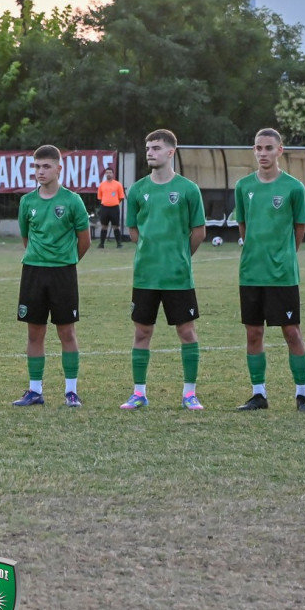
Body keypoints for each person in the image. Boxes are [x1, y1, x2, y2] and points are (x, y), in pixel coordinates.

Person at [120, 129, 207, 411]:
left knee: (186, 332)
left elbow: (198, 232)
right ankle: (139, 393)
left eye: (156, 148)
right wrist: (152, 252)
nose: (150, 152)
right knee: (142, 332)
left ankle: (189, 394)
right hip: (145, 275)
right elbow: (134, 231)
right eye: (148, 147)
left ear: (171, 152)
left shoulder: (188, 189)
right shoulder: (137, 190)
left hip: (178, 276)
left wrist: (179, 255)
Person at [233, 128, 305, 413]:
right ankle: (258, 394)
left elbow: (299, 230)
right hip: (251, 273)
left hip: (282, 275)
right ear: (253, 151)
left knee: (291, 332)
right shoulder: (243, 187)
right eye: (258, 148)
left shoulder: (293, 188)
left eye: (269, 148)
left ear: (280, 150)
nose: (263, 153)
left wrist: (284, 255)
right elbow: (244, 227)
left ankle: (302, 395)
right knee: (253, 333)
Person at [11, 145, 90, 407]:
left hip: (63, 273)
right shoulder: (27, 202)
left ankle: (71, 392)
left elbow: (84, 240)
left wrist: (65, 261)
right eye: (36, 166)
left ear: (58, 168)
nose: (40, 171)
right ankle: (35, 391)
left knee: (66, 331)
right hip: (33, 271)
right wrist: (40, 258)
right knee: (35, 332)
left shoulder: (72, 201)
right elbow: (26, 237)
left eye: (46, 166)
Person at [96, 166, 126, 249]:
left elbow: (121, 197)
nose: (108, 174)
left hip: (114, 208)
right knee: (104, 226)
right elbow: (100, 198)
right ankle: (101, 244)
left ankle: (119, 243)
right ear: (105, 174)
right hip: (104, 208)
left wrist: (114, 202)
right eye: (107, 173)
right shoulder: (101, 185)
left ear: (113, 174)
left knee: (116, 226)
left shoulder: (118, 184)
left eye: (110, 173)